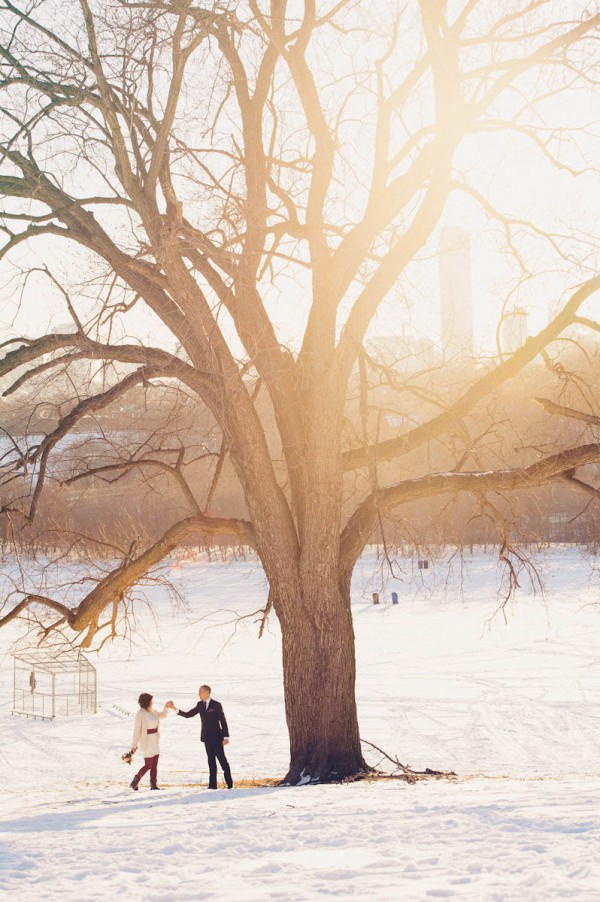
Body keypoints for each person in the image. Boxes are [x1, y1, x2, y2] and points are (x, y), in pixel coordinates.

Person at [167, 685, 232, 789]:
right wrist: (174, 708)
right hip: (206, 738)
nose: (199, 694)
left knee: (222, 761)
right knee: (211, 762)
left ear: (207, 692)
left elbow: (223, 721)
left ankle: (230, 784)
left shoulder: (216, 705)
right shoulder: (200, 704)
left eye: (200, 692)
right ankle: (212, 786)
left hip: (217, 738)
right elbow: (188, 714)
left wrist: (226, 737)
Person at [129, 692, 170, 791]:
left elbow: (163, 715)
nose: (152, 702)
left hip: (155, 741)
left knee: (155, 764)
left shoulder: (152, 711)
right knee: (148, 765)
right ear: (147, 701)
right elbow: (137, 730)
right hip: (146, 741)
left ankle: (153, 785)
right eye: (151, 701)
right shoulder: (140, 713)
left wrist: (166, 707)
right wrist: (134, 745)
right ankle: (135, 781)